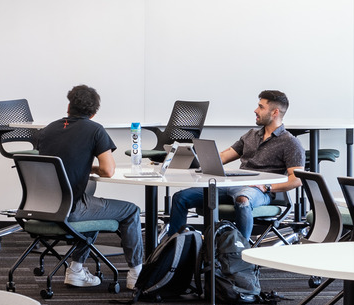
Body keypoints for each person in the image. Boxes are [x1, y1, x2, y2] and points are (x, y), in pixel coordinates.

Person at [26, 84, 144, 287]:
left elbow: (57, 162)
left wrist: (81, 167)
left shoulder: (47, 130)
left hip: (41, 208)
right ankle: (137, 274)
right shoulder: (95, 130)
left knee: (92, 204)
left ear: (69, 106)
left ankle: (76, 271)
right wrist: (91, 168)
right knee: (131, 210)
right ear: (94, 113)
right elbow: (108, 170)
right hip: (71, 209)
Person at [162, 91, 303, 242]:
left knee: (243, 200)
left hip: (258, 191)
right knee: (181, 197)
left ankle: (239, 253)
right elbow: (223, 156)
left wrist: (267, 187)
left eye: (261, 107)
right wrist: (191, 160)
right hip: (233, 184)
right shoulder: (251, 135)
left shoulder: (289, 142)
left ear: (275, 112)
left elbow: (297, 179)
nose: (256, 110)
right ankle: (174, 249)